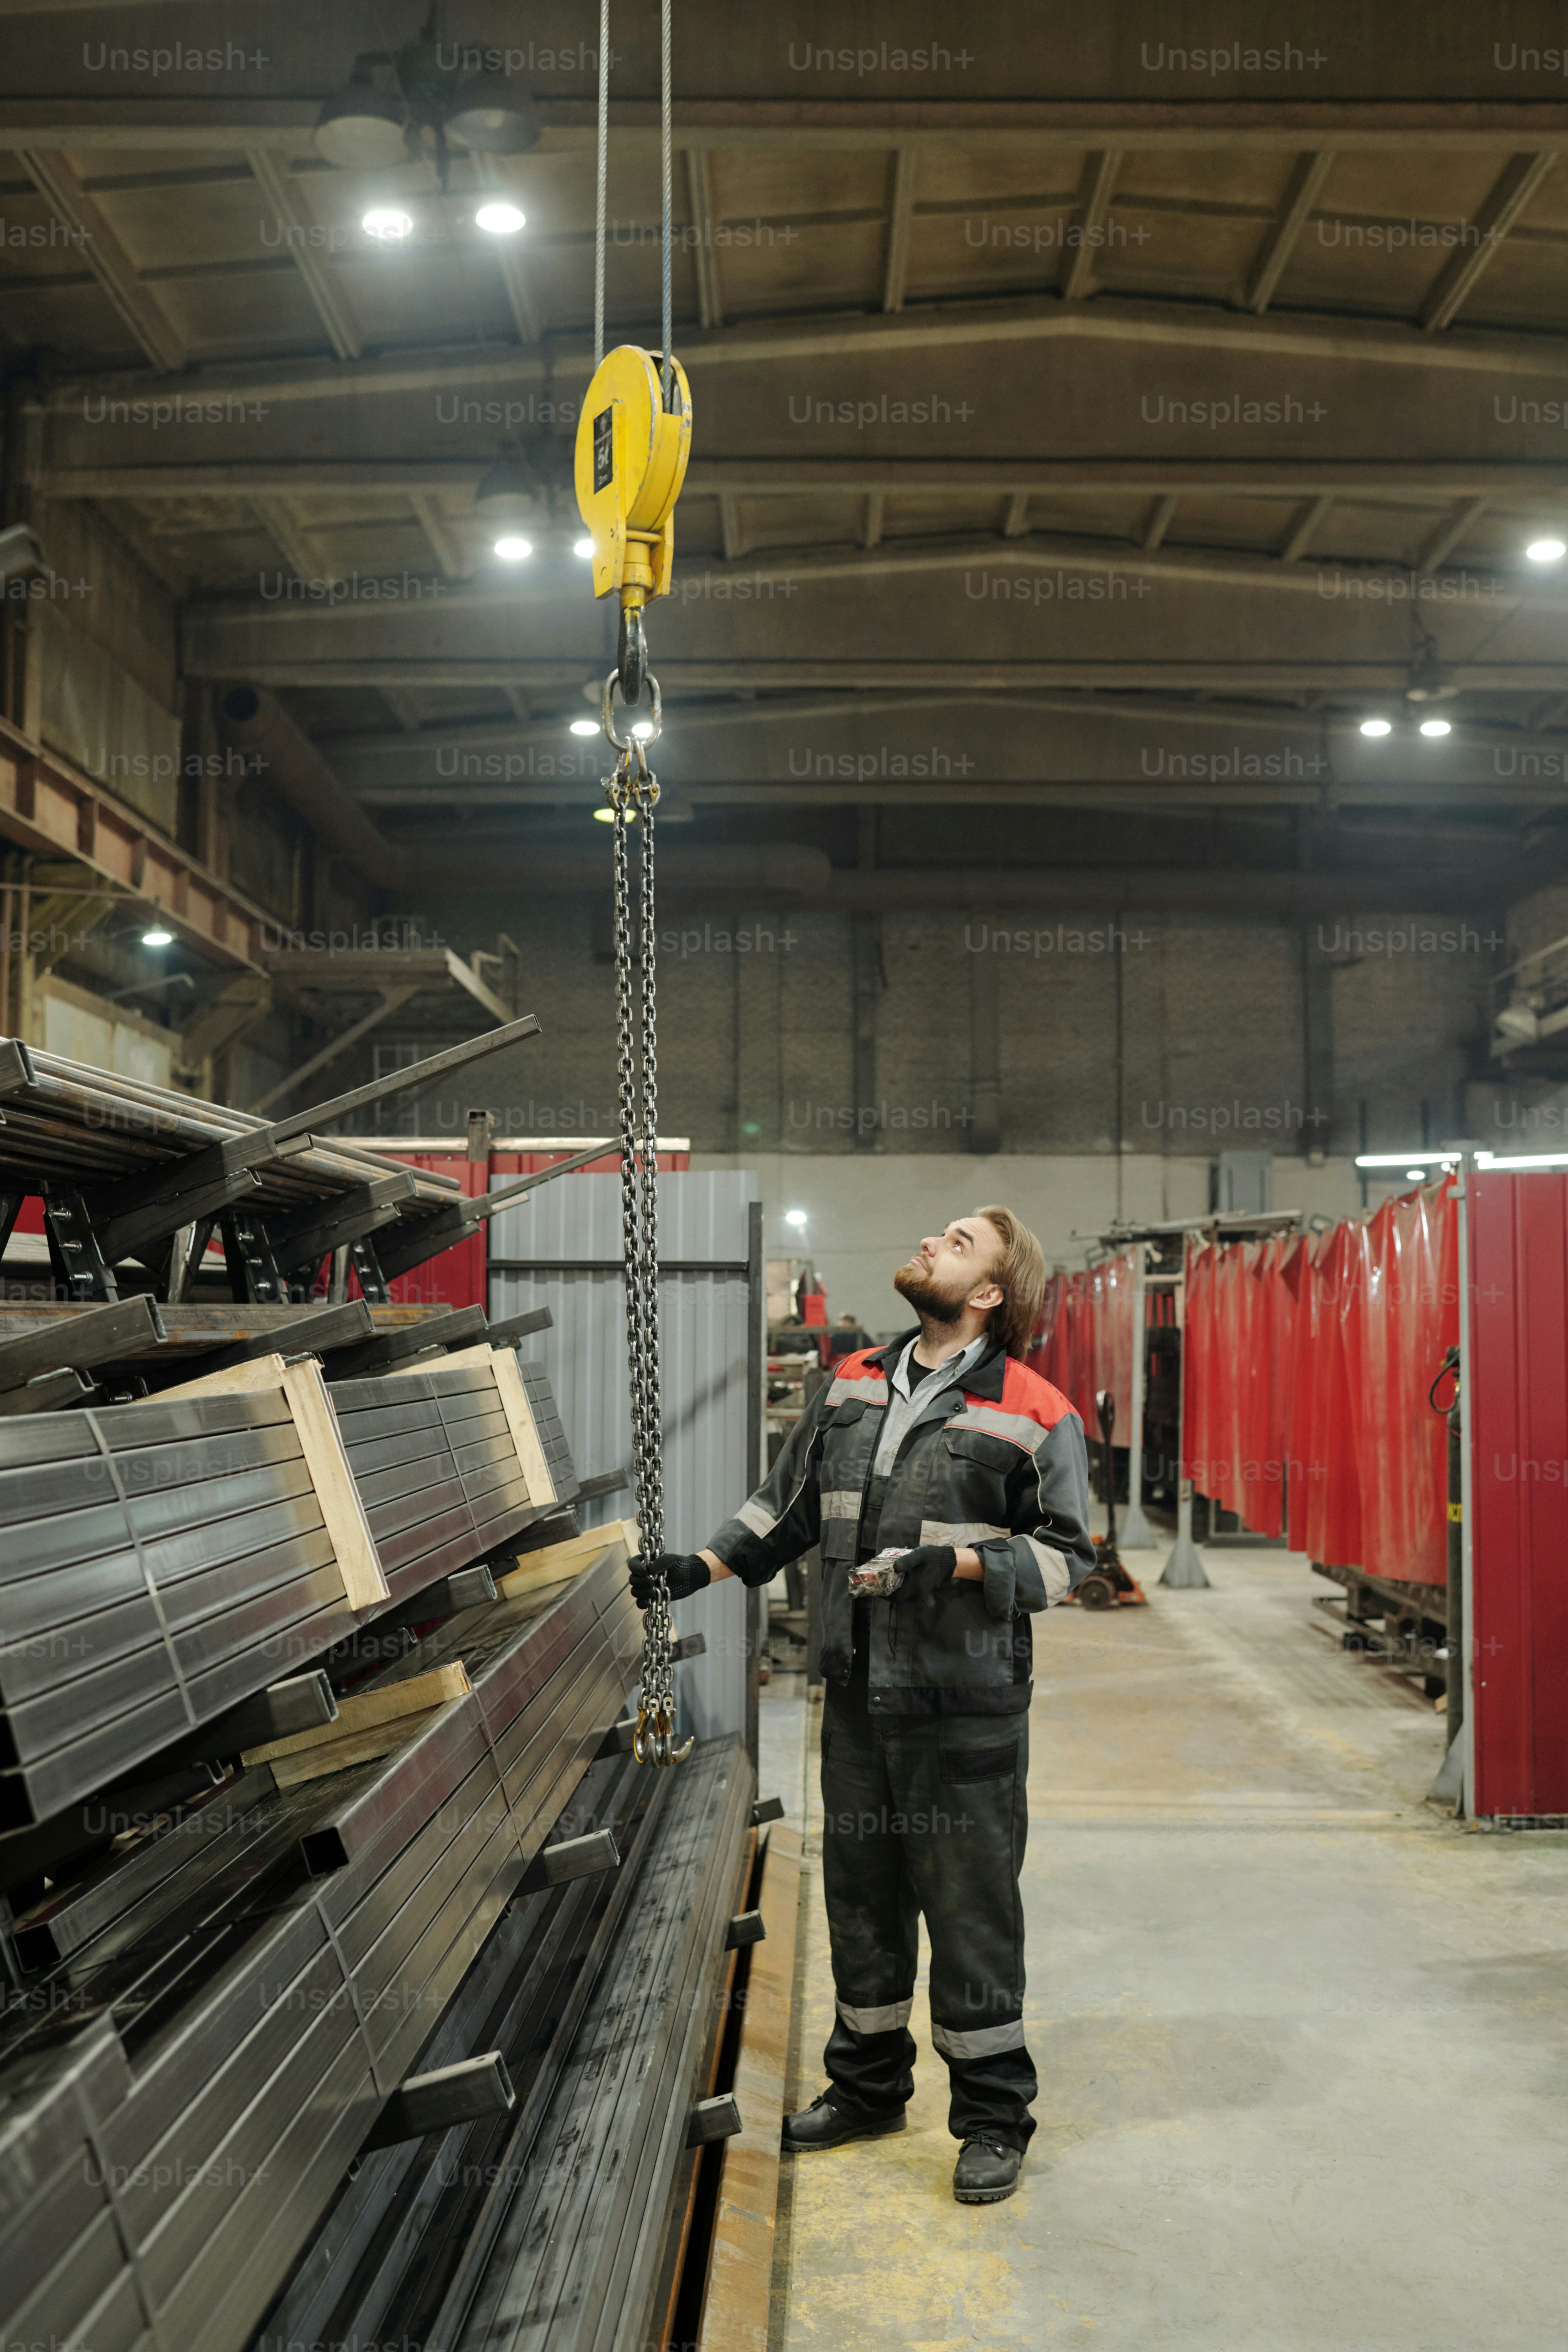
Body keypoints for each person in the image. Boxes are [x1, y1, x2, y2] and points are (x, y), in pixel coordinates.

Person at [629, 1206, 1096, 2204]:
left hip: (963, 1710)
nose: (930, 1242)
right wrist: (701, 1567)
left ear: (989, 1293)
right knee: (863, 1901)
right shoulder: (851, 1384)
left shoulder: (1034, 1409)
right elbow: (786, 1509)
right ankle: (869, 2088)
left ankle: (993, 2117)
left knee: (971, 1913)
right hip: (856, 1695)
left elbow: (1069, 1559)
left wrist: (956, 1565)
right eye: (938, 1233)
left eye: (959, 1244)